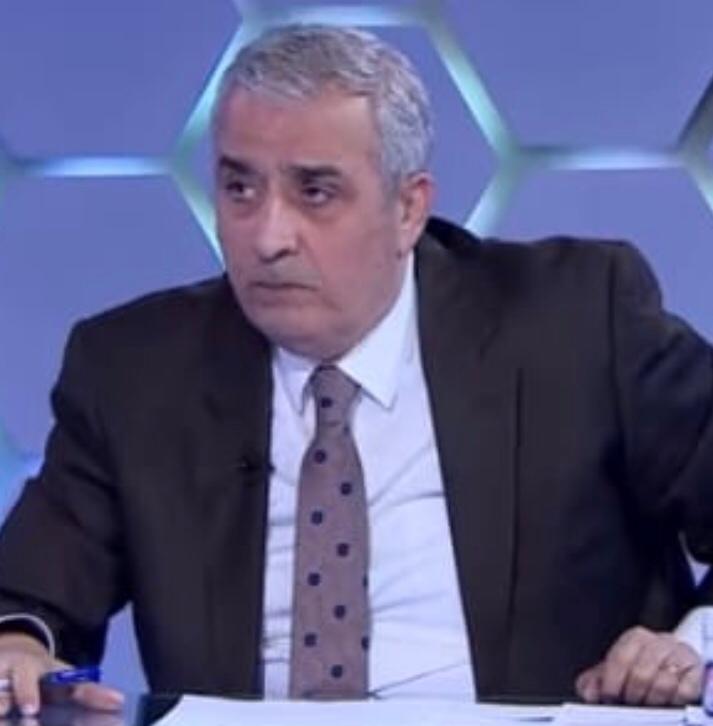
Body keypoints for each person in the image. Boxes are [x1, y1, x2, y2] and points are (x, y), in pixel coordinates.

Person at [0, 23, 712, 717]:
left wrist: (691, 645)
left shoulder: (578, 320)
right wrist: (18, 648)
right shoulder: (134, 370)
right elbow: (30, 596)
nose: (268, 237)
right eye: (240, 188)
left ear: (408, 209)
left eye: (315, 192)